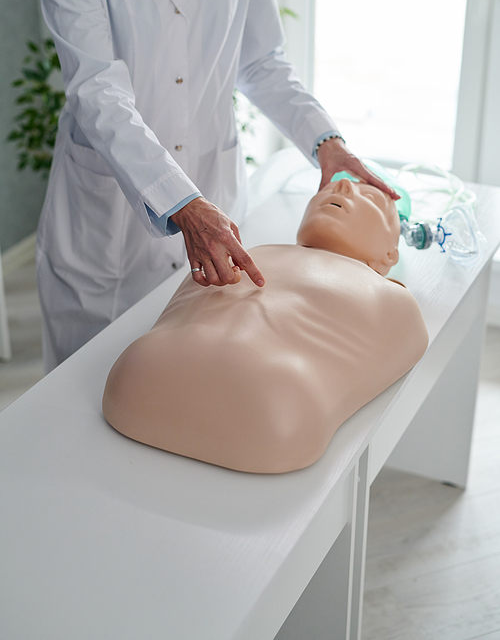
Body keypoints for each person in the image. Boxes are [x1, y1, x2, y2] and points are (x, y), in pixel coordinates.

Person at [36, 0, 399, 372]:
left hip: (212, 187)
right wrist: (182, 204)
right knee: (84, 395)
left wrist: (325, 142)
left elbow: (261, 61)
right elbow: (97, 90)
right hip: (107, 226)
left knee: (191, 379)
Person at [102, 178, 428, 474]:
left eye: (369, 196)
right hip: (156, 365)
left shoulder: (387, 296)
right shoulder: (245, 252)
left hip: (157, 378)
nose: (341, 188)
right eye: (330, 187)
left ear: (390, 253)